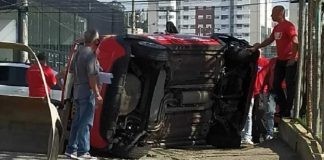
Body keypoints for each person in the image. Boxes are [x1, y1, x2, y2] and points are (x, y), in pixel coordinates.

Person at [249, 5, 298, 117]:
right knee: (275, 85)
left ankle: (288, 111)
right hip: (281, 60)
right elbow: (269, 40)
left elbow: (295, 41)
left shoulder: (288, 26)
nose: (271, 15)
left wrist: (293, 57)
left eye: (273, 13)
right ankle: (284, 108)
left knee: (290, 86)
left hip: (290, 60)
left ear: (280, 14)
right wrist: (257, 47)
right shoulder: (277, 28)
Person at [64, 29, 103, 159]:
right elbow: (92, 77)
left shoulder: (78, 53)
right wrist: (97, 94)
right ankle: (83, 151)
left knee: (77, 120)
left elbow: (70, 70)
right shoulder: (91, 55)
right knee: (86, 122)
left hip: (77, 90)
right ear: (95, 41)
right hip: (87, 91)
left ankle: (71, 149)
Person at [241, 53, 269, 145]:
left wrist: (267, 87)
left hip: (260, 90)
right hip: (251, 91)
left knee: (260, 113)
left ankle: (264, 134)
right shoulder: (250, 62)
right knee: (250, 114)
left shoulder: (265, 62)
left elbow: (268, 75)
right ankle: (252, 136)